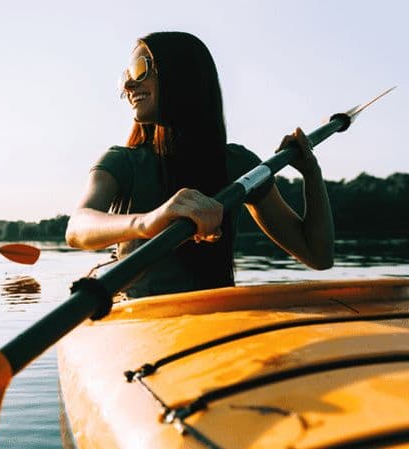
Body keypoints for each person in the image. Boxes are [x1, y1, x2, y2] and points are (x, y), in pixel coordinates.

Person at [65, 31, 334, 297]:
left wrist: (311, 172)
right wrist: (148, 222)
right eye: (126, 76)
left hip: (216, 317)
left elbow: (318, 255)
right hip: (138, 320)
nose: (128, 85)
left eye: (139, 70)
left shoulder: (238, 165)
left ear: (182, 75)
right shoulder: (122, 162)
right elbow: (77, 229)